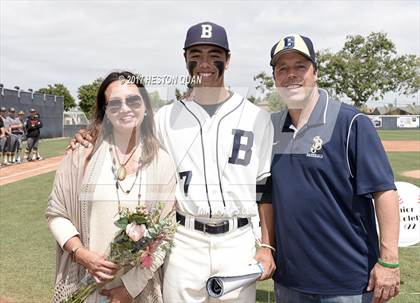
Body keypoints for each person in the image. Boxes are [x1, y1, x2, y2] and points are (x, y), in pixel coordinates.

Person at [70, 22, 276, 302]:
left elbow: (264, 187)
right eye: (196, 54)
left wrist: (265, 244)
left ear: (228, 59)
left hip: (237, 241)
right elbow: (126, 137)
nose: (204, 62)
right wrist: (91, 133)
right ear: (185, 59)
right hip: (184, 241)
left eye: (214, 53)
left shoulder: (256, 117)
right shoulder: (164, 119)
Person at [262, 34, 400, 303]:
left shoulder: (351, 123)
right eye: (282, 68)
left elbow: (384, 192)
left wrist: (390, 261)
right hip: (290, 281)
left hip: (347, 282)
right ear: (275, 78)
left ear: (315, 72)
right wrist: (267, 246)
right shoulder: (270, 127)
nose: (291, 75)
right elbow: (266, 195)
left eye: (300, 66)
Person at [46, 71, 177, 303]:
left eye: (133, 100)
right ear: (104, 111)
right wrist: (81, 254)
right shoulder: (81, 154)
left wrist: (129, 288)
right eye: (114, 103)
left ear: (145, 106)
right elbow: (56, 213)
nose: (124, 108)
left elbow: (164, 234)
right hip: (84, 285)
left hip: (137, 292)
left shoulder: (162, 162)